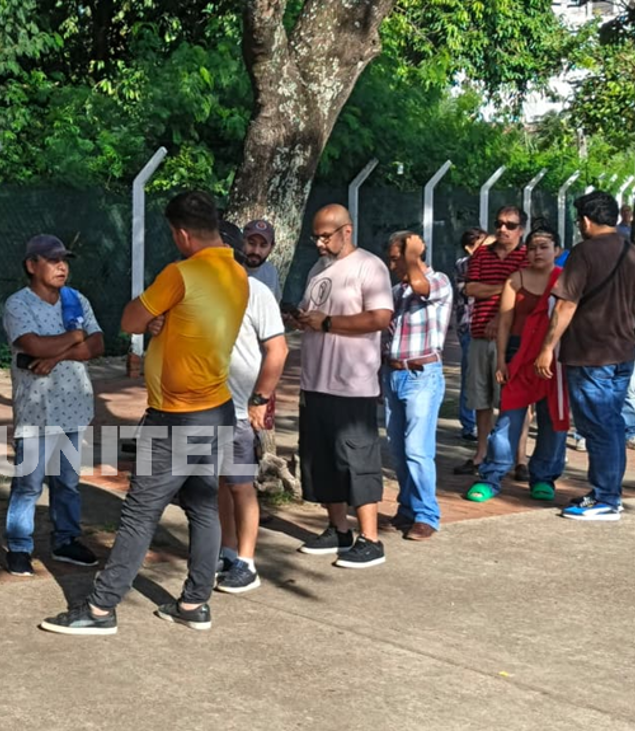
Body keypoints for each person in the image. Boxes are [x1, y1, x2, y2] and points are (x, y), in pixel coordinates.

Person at [40, 190, 246, 635]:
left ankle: (99, 609)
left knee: (140, 511)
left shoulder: (181, 273)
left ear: (182, 234)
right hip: (216, 409)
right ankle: (194, 603)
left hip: (176, 415)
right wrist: (165, 322)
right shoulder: (237, 273)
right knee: (202, 505)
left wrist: (154, 317)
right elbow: (191, 325)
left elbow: (130, 320)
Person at [536, 191, 635, 521]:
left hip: (589, 354)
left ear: (586, 220)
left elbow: (566, 304)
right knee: (612, 424)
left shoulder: (583, 253)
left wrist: (546, 348)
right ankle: (607, 492)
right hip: (624, 351)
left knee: (598, 427)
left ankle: (606, 497)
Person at [291, 204, 393, 568]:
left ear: (346, 231)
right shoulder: (318, 269)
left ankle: (370, 537)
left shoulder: (369, 266)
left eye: (325, 235)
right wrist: (306, 320)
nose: (319, 243)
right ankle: (338, 528)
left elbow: (380, 317)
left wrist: (330, 323)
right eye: (315, 236)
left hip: (352, 383)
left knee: (356, 458)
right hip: (316, 379)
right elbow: (315, 314)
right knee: (321, 458)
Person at [2, 234, 104, 577]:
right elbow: (33, 344)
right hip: (36, 412)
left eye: (65, 260)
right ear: (32, 265)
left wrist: (58, 354)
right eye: (52, 260)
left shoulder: (76, 300)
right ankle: (19, 546)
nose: (62, 267)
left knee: (68, 483)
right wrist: (75, 338)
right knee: (28, 483)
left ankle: (66, 541)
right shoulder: (18, 304)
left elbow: (98, 344)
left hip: (75, 408)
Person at [465, 227, 569, 504]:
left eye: (544, 247)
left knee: (551, 420)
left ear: (557, 251)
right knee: (508, 418)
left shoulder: (564, 281)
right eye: (533, 247)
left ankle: (544, 477)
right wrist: (501, 358)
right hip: (517, 353)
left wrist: (550, 351)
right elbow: (505, 322)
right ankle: (491, 476)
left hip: (554, 358)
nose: (537, 252)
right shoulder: (515, 280)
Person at [215, 260, 287, 592]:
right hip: (203, 406)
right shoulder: (196, 286)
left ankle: (247, 562)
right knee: (217, 483)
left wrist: (260, 399)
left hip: (239, 410)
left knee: (241, 485)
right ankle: (227, 551)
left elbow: (278, 349)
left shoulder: (254, 291)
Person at [382, 231, 451, 541]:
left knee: (417, 449)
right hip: (394, 373)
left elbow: (422, 287)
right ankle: (408, 507)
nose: (392, 264)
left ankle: (427, 514)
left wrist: (412, 255)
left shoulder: (438, 281)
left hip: (422, 374)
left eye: (397, 257)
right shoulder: (397, 291)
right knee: (397, 448)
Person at [454, 206, 528, 475]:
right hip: (478, 333)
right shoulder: (482, 254)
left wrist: (502, 313)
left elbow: (527, 294)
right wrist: (507, 287)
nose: (503, 229)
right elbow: (471, 288)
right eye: (499, 223)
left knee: (514, 400)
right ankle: (481, 454)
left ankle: (519, 458)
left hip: (512, 337)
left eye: (510, 225)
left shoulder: (526, 256)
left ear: (521, 230)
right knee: (481, 397)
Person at [453, 228, 492, 442]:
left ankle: (481, 423)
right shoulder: (465, 264)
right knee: (471, 375)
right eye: (482, 244)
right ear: (470, 247)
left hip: (490, 325)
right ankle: (469, 424)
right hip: (470, 326)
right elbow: (472, 289)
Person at [242, 219, 282, 300]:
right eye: (251, 243)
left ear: (271, 248)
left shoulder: (271, 272)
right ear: (242, 241)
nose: (256, 251)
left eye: (263, 246)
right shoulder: (228, 268)